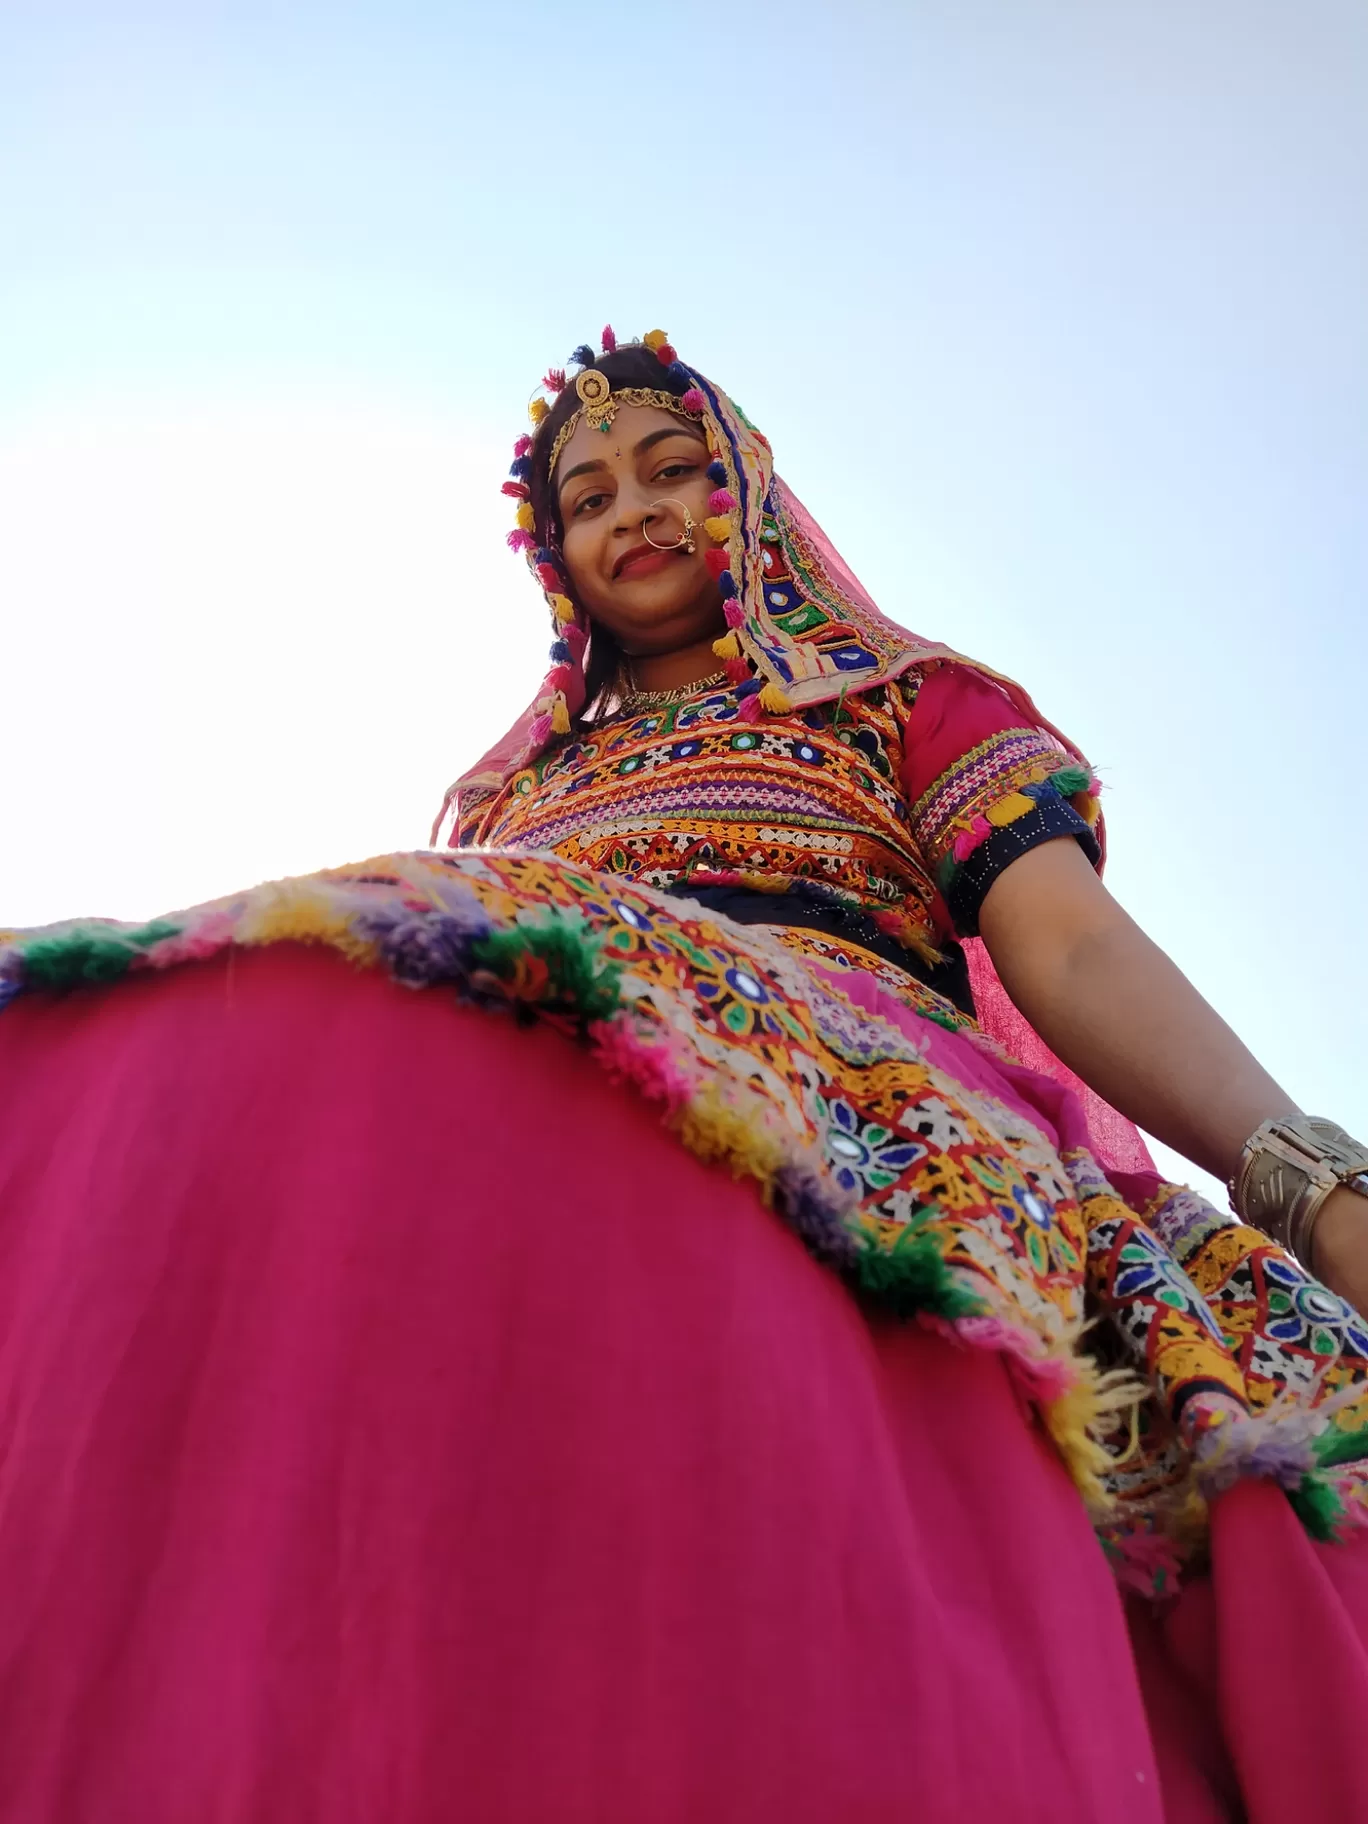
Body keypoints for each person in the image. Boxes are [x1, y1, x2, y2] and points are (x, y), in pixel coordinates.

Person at [2, 327, 1368, 1822]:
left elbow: (1071, 949)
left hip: (864, 1086)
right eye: (587, 497)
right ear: (557, 559)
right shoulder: (516, 796)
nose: (630, 511)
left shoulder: (902, 702)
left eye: (671, 470)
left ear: (748, 496)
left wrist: (1310, 1184)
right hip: (566, 1047)